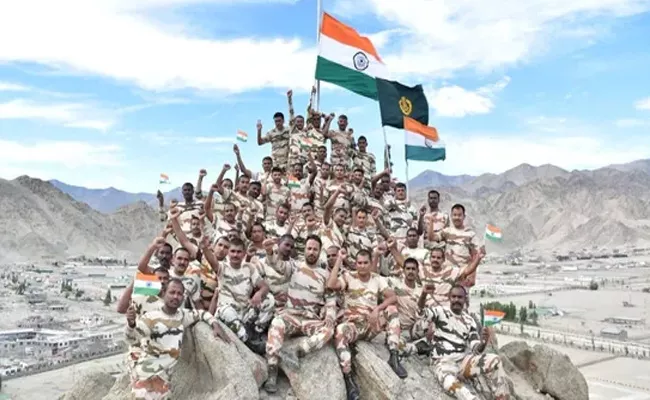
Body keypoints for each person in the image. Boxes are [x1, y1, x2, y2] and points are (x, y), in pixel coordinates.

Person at [125, 278, 229, 400]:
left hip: (165, 379)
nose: (176, 296)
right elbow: (132, 339)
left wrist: (215, 325)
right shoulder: (150, 318)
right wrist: (131, 325)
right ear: (164, 294)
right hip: (146, 375)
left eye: (179, 294)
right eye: (172, 292)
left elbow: (202, 314)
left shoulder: (182, 316)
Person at [328, 249, 407, 400]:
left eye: (365, 263)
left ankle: (394, 356)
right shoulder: (348, 277)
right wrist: (339, 259)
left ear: (371, 263)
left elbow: (393, 297)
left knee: (391, 309)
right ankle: (348, 378)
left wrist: (377, 309)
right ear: (355, 263)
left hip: (371, 324)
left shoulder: (377, 279)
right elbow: (331, 284)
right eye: (359, 263)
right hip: (354, 326)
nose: (362, 266)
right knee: (340, 330)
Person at [264, 235, 337, 393]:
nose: (311, 252)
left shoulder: (325, 275)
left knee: (329, 330)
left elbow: (331, 299)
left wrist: (330, 316)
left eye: (315, 249)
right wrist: (270, 251)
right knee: (277, 323)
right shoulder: (294, 265)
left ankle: (297, 351)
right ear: (304, 250)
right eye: (309, 248)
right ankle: (272, 369)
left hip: (310, 320)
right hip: (291, 316)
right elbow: (277, 265)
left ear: (319, 252)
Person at [422, 286, 510, 400]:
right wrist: (423, 295)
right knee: (450, 384)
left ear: (465, 299)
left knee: (495, 360)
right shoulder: (440, 311)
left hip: (463, 362)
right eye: (453, 297)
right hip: (442, 362)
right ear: (449, 298)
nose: (456, 300)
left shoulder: (469, 321)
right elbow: (421, 312)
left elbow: (475, 349)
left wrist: (483, 342)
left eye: (460, 297)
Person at [215, 238, 274, 354]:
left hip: (245, 312)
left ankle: (256, 332)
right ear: (228, 252)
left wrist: (259, 293)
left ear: (244, 253)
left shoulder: (249, 268)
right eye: (232, 251)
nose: (235, 255)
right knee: (227, 311)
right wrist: (205, 248)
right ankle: (249, 343)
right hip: (227, 312)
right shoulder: (222, 267)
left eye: (238, 252)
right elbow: (210, 260)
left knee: (269, 299)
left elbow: (265, 287)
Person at [427, 204, 484, 288]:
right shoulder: (447, 232)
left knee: (462, 299)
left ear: (464, 216)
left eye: (459, 215)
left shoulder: (470, 234)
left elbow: (475, 255)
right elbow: (432, 238)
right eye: (455, 215)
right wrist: (431, 222)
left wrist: (472, 276)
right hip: (448, 273)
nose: (457, 217)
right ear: (451, 216)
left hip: (463, 274)